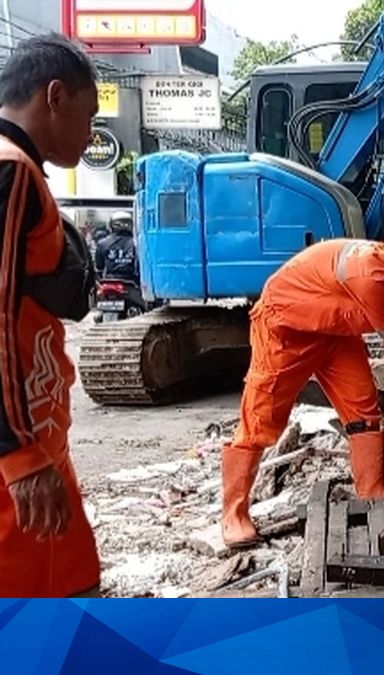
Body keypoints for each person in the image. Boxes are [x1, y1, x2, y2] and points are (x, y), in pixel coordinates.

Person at [221, 227, 384, 547]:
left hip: (336, 335)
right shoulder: (371, 277)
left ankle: (373, 504)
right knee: (260, 420)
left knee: (364, 415)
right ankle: (233, 516)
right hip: (286, 328)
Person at [0, 33, 103, 597]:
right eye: (89, 117)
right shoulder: (11, 171)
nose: (91, 135)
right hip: (19, 454)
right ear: (55, 96)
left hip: (36, 441)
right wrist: (20, 458)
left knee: (74, 587)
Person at [94, 210, 139, 284]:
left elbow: (99, 267)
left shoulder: (102, 243)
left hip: (109, 282)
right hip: (131, 282)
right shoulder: (136, 243)